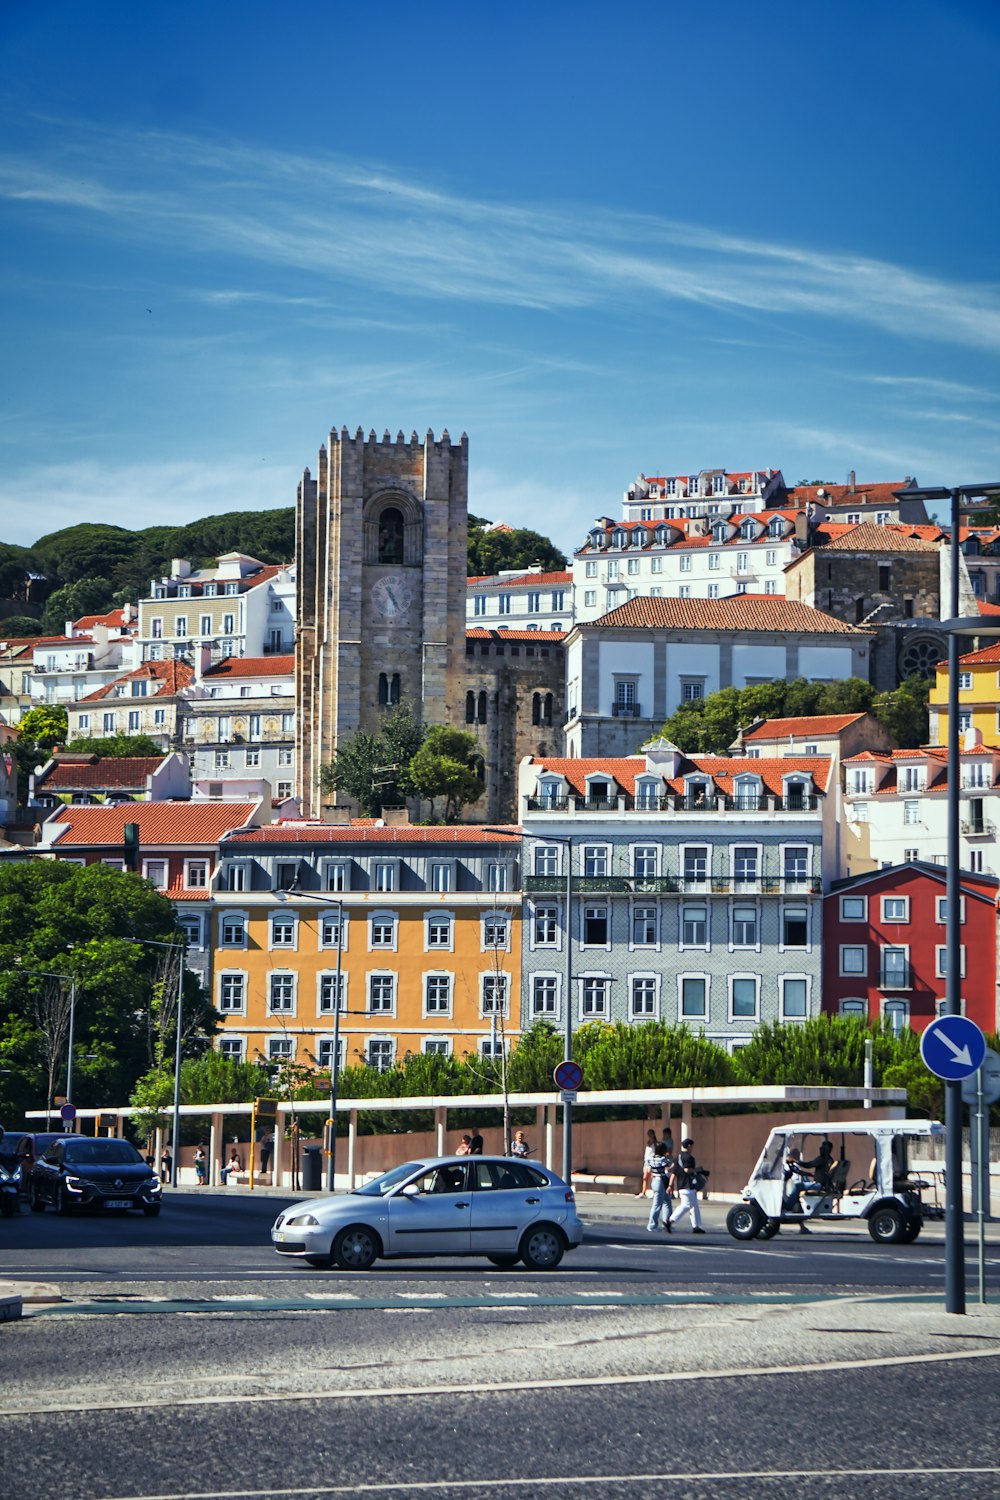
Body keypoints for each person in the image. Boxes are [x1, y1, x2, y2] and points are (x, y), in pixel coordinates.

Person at [668, 1138, 706, 1234]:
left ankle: (696, 1226)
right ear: (689, 1146)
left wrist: (670, 1185)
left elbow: (674, 1173)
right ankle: (670, 1221)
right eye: (692, 1146)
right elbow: (687, 1170)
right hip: (688, 1185)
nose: (692, 1148)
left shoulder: (678, 1158)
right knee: (686, 1205)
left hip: (681, 1185)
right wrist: (698, 1170)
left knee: (694, 1206)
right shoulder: (690, 1158)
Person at [783, 1148, 814, 1233]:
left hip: (788, 1189)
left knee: (795, 1204)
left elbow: (799, 1173)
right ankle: (802, 1227)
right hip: (785, 1188)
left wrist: (810, 1174)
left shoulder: (791, 1165)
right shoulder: (786, 1165)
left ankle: (802, 1227)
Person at [646, 1139, 674, 1233]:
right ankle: (652, 1225)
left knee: (667, 1202)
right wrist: (672, 1163)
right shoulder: (662, 1160)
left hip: (655, 1181)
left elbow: (649, 1170)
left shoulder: (651, 1159)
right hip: (661, 1182)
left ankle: (666, 1223)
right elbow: (668, 1168)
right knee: (657, 1205)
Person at [637, 1129, 657, 1197]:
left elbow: (654, 1152)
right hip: (646, 1161)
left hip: (651, 1161)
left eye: (650, 1134)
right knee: (645, 1177)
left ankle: (655, 1192)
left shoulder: (655, 1143)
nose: (649, 1135)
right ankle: (643, 1192)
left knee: (652, 1177)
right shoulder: (648, 1142)